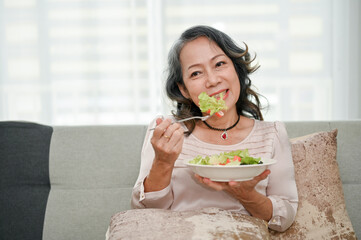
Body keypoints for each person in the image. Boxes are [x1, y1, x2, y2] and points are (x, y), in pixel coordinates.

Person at [131, 25, 298, 232]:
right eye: (196, 73)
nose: (212, 81)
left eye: (219, 64)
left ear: (236, 69)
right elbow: (145, 210)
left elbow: (285, 218)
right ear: (183, 89)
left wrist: (247, 196)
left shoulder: (272, 134)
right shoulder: (167, 133)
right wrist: (163, 162)